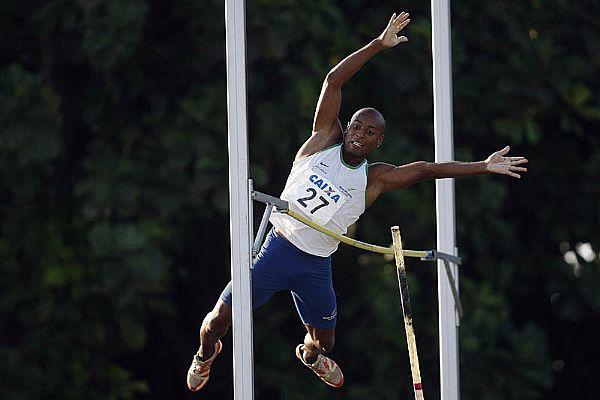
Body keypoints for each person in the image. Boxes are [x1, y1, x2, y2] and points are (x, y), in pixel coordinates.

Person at [187, 11, 528, 391]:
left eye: (369, 133)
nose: (359, 135)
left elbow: (427, 170)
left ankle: (310, 356)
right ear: (346, 127)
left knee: (326, 342)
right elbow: (333, 80)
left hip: (316, 265)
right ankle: (205, 355)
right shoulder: (320, 141)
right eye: (356, 127)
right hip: (277, 249)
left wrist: (483, 165)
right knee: (218, 319)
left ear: (377, 142)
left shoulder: (375, 177)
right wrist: (379, 45)